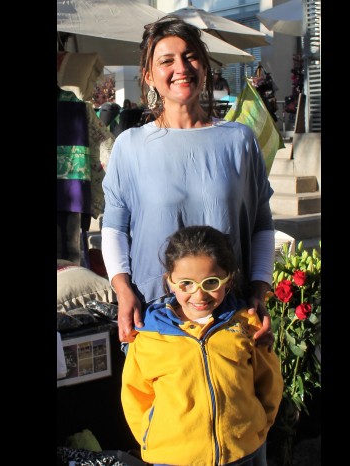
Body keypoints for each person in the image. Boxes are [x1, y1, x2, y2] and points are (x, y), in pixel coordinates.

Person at [101, 15, 275, 345]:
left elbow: (261, 225)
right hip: (154, 315)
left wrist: (259, 290)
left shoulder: (239, 141)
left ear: (205, 67)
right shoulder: (131, 145)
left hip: (229, 314)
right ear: (150, 76)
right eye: (167, 61)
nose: (181, 67)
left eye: (190, 56)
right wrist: (123, 291)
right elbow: (114, 228)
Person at [120, 225, 283, 466]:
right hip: (173, 459)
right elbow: (135, 396)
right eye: (186, 283)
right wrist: (153, 439)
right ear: (170, 282)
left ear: (229, 279)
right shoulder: (149, 335)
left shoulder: (247, 325)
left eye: (211, 282)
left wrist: (256, 428)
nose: (199, 295)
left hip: (241, 453)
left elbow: (268, 382)